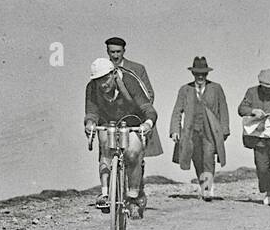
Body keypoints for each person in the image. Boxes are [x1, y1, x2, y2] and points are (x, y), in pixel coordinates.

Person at [83, 57, 158, 217]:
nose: (103, 85)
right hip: (107, 122)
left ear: (114, 74)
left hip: (133, 121)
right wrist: (89, 123)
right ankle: (104, 193)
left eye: (105, 79)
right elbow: (91, 110)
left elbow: (147, 108)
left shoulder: (129, 81)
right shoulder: (92, 88)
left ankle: (134, 196)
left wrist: (148, 123)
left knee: (132, 153)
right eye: (98, 81)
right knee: (105, 147)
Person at [169, 56, 230, 200]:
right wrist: (175, 130)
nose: (200, 76)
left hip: (210, 131)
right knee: (197, 159)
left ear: (207, 74)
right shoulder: (185, 90)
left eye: (204, 73)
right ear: (193, 74)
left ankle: (208, 189)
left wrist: (224, 130)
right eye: (197, 73)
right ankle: (203, 186)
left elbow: (224, 110)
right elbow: (177, 110)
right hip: (191, 131)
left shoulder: (216, 88)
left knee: (208, 157)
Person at [239, 69, 270, 207]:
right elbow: (241, 109)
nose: (268, 91)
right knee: (262, 168)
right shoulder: (251, 92)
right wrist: (253, 111)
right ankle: (268, 191)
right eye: (265, 88)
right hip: (258, 137)